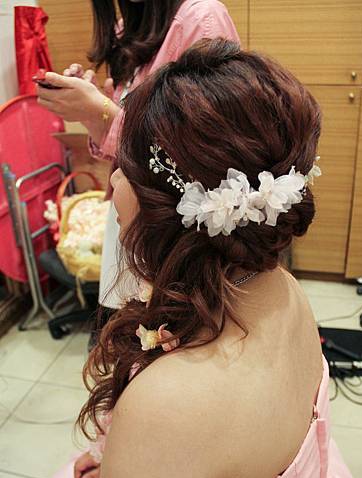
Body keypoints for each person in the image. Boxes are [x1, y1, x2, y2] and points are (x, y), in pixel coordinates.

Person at [0, 39, 362, 478]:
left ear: (167, 210)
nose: (110, 183)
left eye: (122, 168)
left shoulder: (175, 405)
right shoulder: (284, 292)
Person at [36, 0, 240, 313]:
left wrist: (103, 111)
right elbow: (128, 141)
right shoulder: (127, 27)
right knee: (129, 325)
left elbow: (200, 151)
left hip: (175, 227)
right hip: (128, 214)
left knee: (167, 327)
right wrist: (93, 111)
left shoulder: (202, 18)